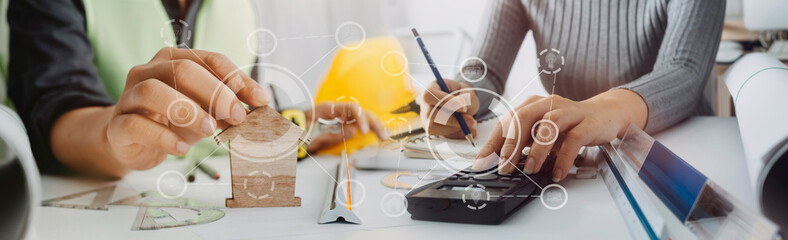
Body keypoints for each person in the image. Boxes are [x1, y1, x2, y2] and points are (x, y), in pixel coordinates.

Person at [7, 0, 385, 178]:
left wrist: (298, 129)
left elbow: (239, 115)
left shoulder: (241, 7)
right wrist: (114, 138)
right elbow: (51, 107)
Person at [421, 0, 724, 182]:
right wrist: (463, 95)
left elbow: (685, 70)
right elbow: (488, 70)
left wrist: (604, 108)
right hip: (572, 158)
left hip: (676, 151)